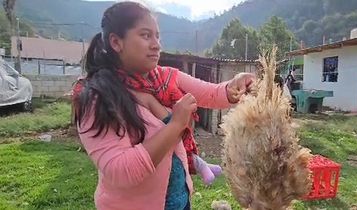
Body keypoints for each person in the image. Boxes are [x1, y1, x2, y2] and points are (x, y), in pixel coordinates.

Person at [72, 2, 255, 210]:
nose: (156, 44)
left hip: (179, 201)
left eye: (157, 36)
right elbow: (121, 171)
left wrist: (234, 86)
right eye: (145, 35)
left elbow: (212, 93)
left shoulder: (164, 78)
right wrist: (175, 124)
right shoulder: (97, 97)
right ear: (116, 42)